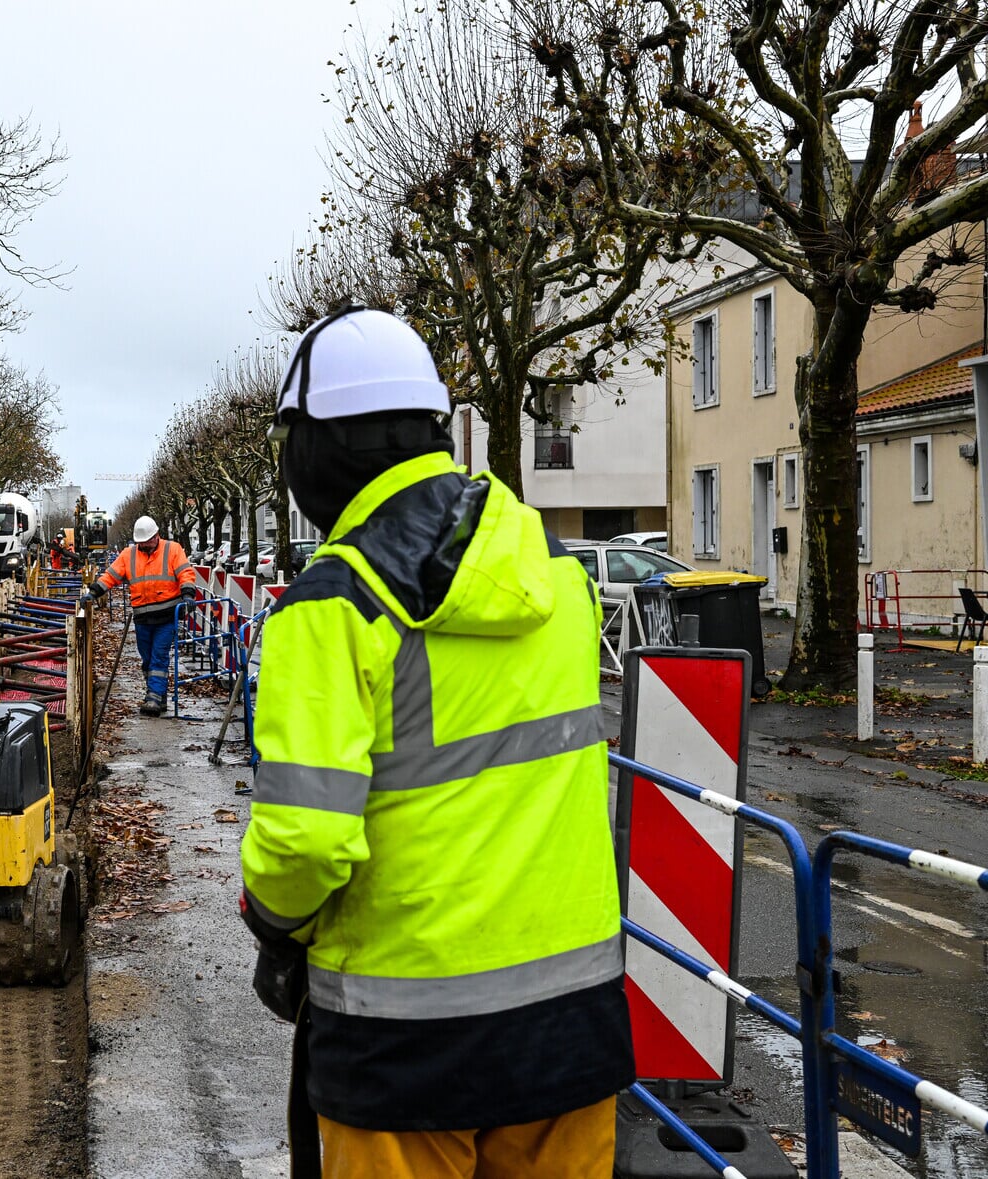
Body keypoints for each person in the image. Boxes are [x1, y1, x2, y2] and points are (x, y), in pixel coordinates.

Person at [238, 308, 633, 1179]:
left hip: (402, 1047)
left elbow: (305, 838)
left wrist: (270, 920)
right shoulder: (557, 575)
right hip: (572, 1031)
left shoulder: (333, 603)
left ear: (315, 449)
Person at [85, 515, 196, 715]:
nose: (144, 545)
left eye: (147, 541)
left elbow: (185, 573)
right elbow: (111, 575)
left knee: (158, 657)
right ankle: (158, 694)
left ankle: (153, 697)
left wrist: (188, 595)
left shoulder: (173, 549)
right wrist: (94, 592)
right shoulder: (129, 554)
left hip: (167, 615)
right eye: (141, 542)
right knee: (147, 659)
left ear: (156, 536)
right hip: (143, 618)